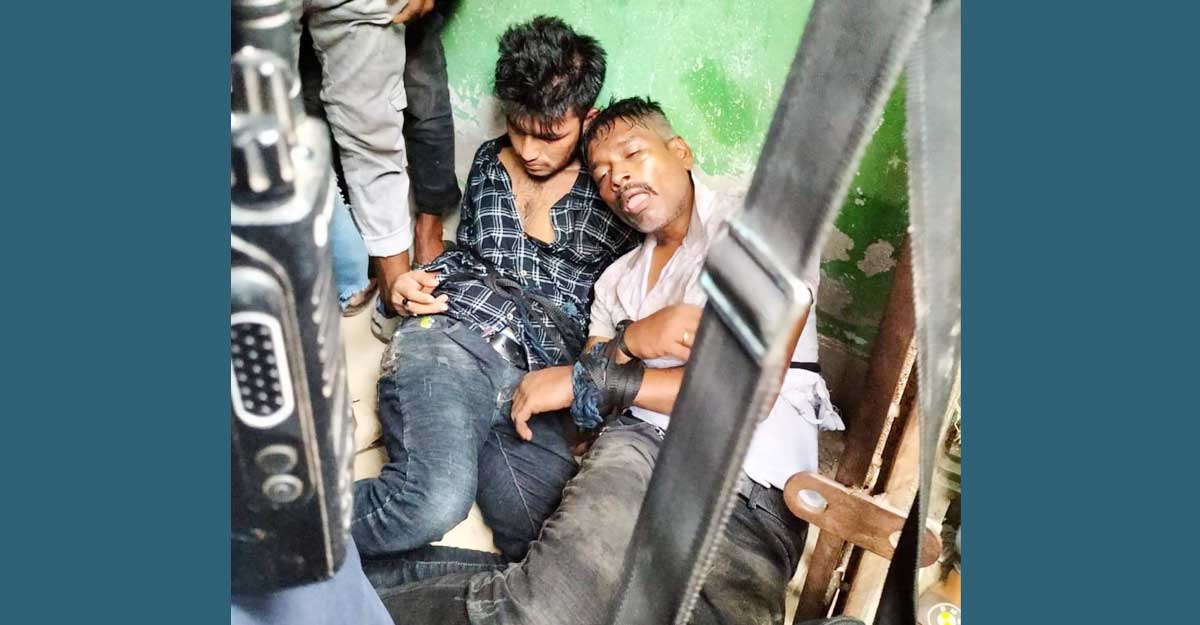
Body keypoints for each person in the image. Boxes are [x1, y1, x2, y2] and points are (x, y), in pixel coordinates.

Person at [365, 97, 845, 625]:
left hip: (752, 493)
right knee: (538, 607)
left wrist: (600, 372)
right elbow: (589, 402)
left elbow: (745, 391)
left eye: (633, 154)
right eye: (603, 174)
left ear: (681, 151)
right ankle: (337, 603)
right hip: (640, 453)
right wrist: (631, 342)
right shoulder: (617, 282)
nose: (618, 178)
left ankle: (371, 584)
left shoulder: (761, 230)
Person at [350, 17, 640, 562]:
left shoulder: (616, 187)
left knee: (554, 553)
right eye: (518, 127)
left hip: (537, 384)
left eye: (549, 135)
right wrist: (409, 283)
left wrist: (589, 397)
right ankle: (251, 530)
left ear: (587, 117)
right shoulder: (489, 160)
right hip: (453, 337)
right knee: (430, 501)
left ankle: (385, 594)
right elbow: (464, 256)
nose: (529, 150)